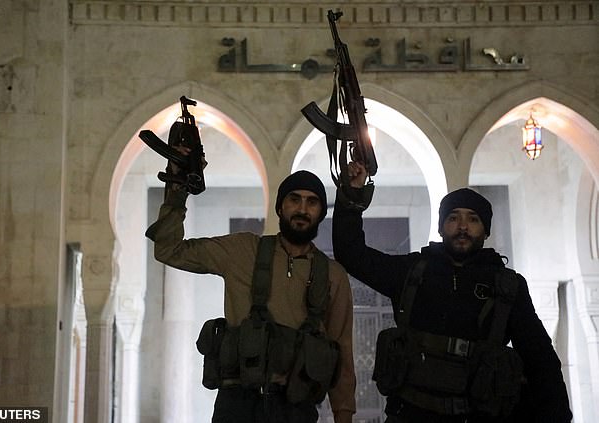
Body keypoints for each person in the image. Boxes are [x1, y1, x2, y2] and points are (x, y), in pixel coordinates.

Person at [331, 161, 572, 423]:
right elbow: (351, 253)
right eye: (453, 217)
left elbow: (541, 361)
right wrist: (351, 196)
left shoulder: (507, 286)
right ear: (441, 226)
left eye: (473, 219)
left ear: (485, 230)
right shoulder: (412, 272)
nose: (463, 227)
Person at [146, 169, 356, 423]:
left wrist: (343, 415)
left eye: (312, 202)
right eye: (294, 199)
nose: (302, 209)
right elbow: (169, 250)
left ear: (321, 213)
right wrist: (178, 187)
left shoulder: (333, 276)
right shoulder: (243, 250)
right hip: (237, 404)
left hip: (295, 409)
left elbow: (341, 350)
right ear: (279, 208)